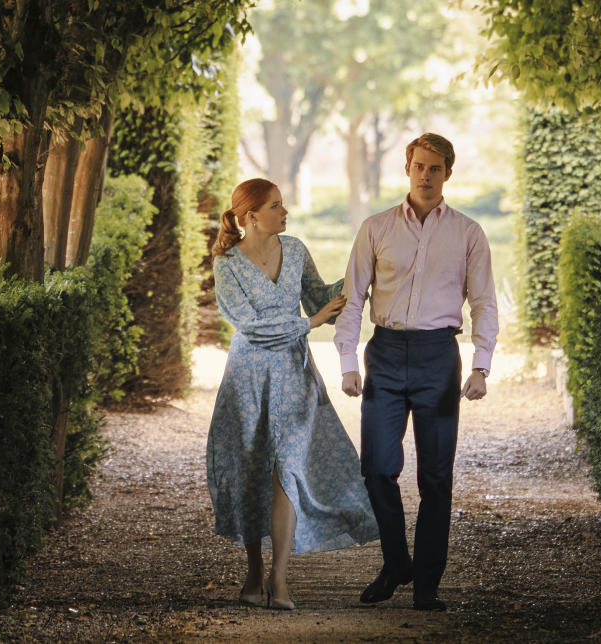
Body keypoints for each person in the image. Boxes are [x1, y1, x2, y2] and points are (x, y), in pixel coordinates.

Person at [334, 133, 500, 611]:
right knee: (377, 470)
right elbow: (353, 298)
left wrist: (481, 366)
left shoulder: (468, 234)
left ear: (449, 172)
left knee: (436, 478)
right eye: (419, 167)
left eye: (435, 168)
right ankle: (395, 564)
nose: (426, 176)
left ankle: (426, 583)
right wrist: (347, 363)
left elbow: (484, 303)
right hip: (384, 354)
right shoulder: (375, 228)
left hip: (437, 357)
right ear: (407, 169)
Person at [207, 178, 379, 611]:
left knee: (287, 470)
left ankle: (280, 578)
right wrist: (310, 322)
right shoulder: (226, 263)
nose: (286, 213)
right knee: (252, 471)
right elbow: (249, 326)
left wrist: (364, 275)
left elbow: (319, 297)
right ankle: (251, 572)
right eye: (276, 206)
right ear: (250, 217)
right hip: (248, 376)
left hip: (293, 373)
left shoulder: (296, 249)